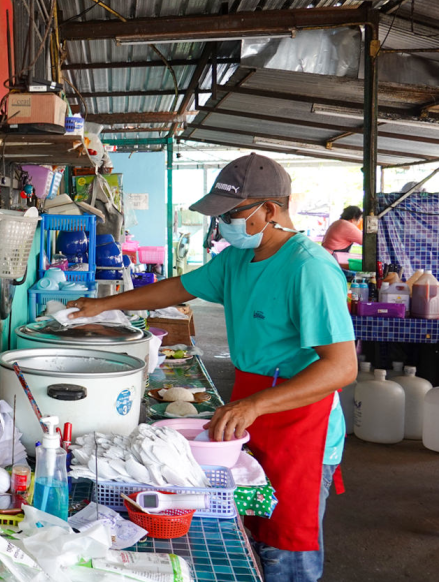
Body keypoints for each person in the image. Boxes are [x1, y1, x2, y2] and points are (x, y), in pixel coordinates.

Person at [67, 154, 355, 582]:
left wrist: (256, 405)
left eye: (230, 215)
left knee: (285, 545)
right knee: (246, 530)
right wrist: (103, 305)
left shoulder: (309, 268)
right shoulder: (239, 260)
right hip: (253, 405)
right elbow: (178, 287)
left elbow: (340, 367)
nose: (221, 227)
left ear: (269, 211)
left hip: (300, 419)